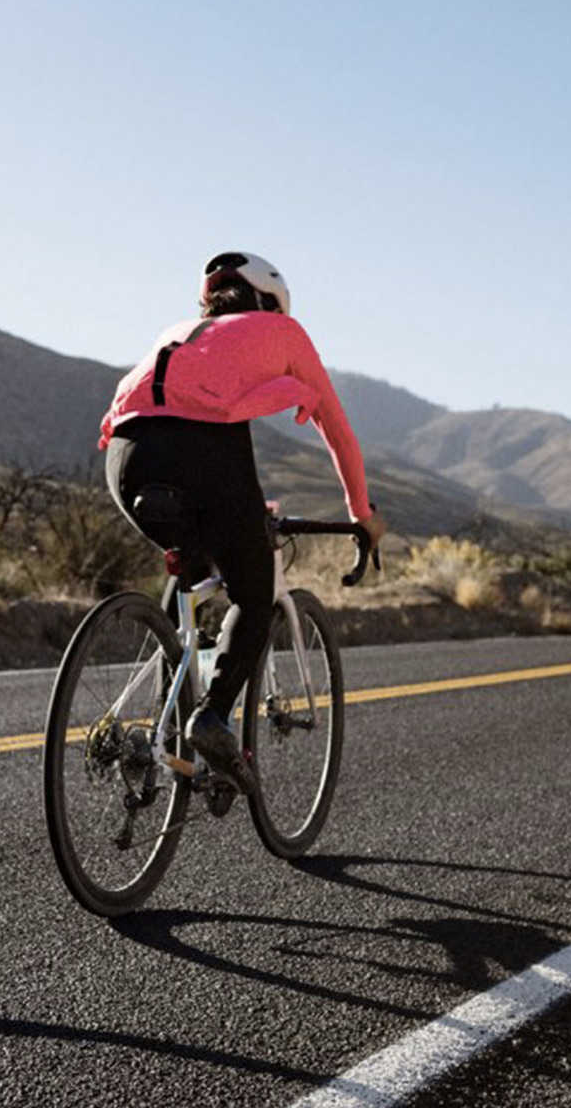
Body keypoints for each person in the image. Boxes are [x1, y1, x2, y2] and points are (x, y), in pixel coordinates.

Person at [98, 252, 386, 793]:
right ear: (270, 304)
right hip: (201, 451)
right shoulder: (283, 330)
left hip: (124, 455)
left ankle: (168, 711)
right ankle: (210, 716)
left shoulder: (180, 331)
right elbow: (339, 433)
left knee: (190, 571)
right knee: (254, 596)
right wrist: (362, 517)